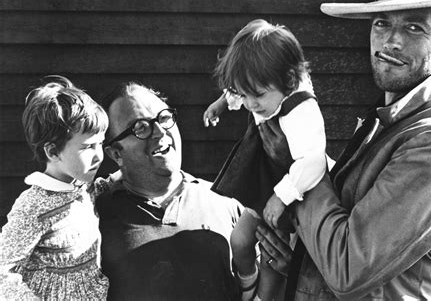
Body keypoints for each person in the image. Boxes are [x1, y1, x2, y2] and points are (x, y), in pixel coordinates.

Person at [256, 0, 431, 300]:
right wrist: (303, 265)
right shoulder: (392, 121)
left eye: (414, 27)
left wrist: (300, 165)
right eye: (382, 23)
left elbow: (347, 269)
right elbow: (355, 252)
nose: (391, 42)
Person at [203, 19, 327, 300]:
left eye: (257, 95)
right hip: (266, 180)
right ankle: (247, 283)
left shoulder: (301, 111)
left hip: (297, 191)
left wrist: (282, 196)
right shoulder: (263, 90)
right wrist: (223, 103)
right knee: (240, 240)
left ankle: (263, 296)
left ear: (290, 81)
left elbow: (313, 161)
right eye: (243, 95)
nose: (249, 104)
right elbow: (241, 89)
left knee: (274, 258)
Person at [96, 81, 246, 300]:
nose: (159, 131)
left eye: (164, 118)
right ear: (116, 154)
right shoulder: (93, 217)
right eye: (140, 127)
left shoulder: (225, 203)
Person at [0, 75, 118, 300]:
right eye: (88, 147)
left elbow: (97, 190)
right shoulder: (33, 205)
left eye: (100, 143)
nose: (99, 156)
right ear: (52, 152)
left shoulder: (81, 187)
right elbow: (2, 269)